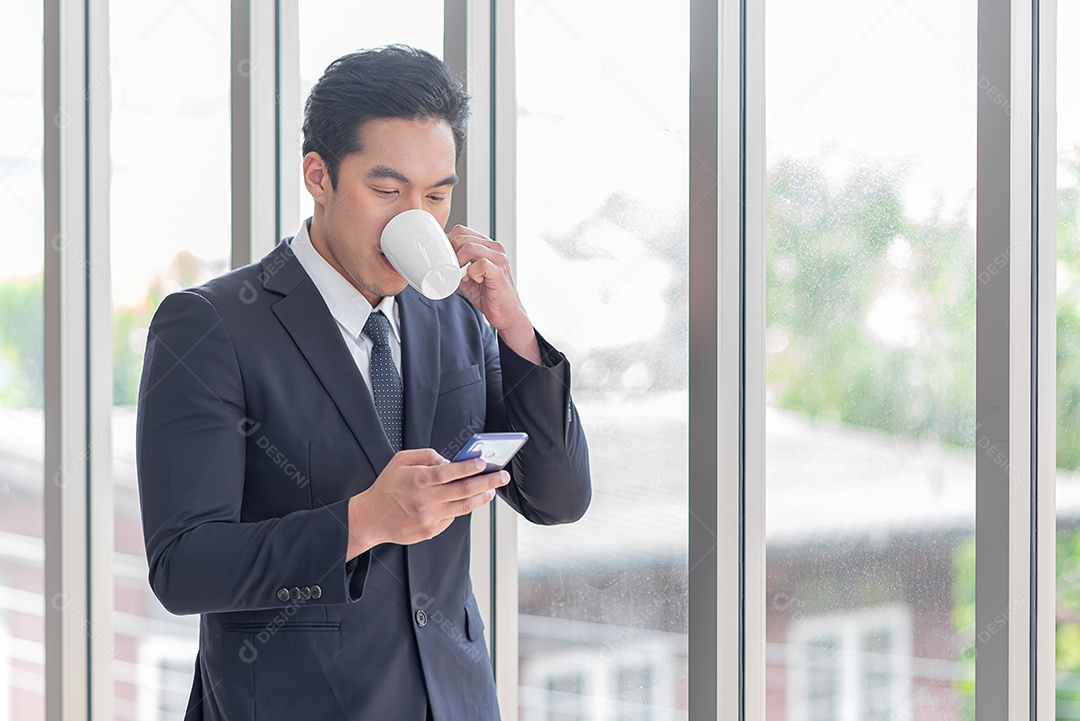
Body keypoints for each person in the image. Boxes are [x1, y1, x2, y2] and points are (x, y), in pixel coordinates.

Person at [135, 44, 591, 721]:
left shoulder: (457, 316)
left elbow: (558, 496)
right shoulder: (212, 326)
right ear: (318, 176)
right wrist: (364, 521)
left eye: (436, 194)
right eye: (387, 191)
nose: (417, 219)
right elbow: (184, 565)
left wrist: (515, 329)